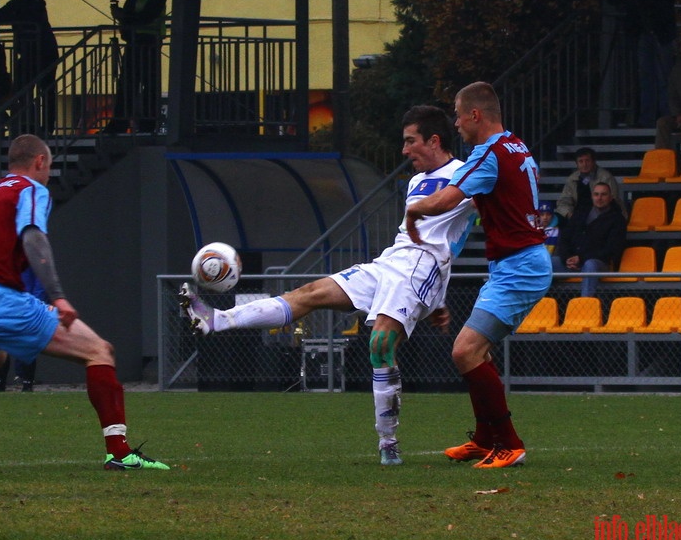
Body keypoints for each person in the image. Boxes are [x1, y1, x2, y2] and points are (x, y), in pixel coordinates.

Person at [179, 105, 477, 466]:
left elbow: (454, 241)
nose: (404, 150)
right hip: (392, 262)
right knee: (310, 293)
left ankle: (388, 443)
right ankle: (218, 320)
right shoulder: (415, 181)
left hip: (423, 269)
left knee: (380, 343)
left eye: (410, 141)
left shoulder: (465, 176)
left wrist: (437, 295)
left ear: (434, 140)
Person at [0, 134, 168, 471]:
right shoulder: (30, 189)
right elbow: (33, 236)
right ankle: (119, 453)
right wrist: (57, 296)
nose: (48, 175)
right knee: (99, 351)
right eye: (49, 167)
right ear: (40, 162)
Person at [403, 81, 552, 469]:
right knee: (475, 351)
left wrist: (414, 211)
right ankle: (486, 438)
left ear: (475, 115)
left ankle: (510, 443)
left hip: (519, 266)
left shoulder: (488, 154)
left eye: (457, 113)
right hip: (517, 262)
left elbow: (448, 199)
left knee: (465, 351)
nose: (455, 122)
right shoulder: (514, 144)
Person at [607, 0, 676, 128]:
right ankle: (647, 118)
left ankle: (666, 116)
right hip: (642, 33)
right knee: (646, 78)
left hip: (661, 34)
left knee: (663, 77)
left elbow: (664, 7)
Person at [0, 0, 59, 135]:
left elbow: (33, 17)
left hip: (45, 54)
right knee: (20, 90)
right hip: (28, 54)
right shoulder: (15, 4)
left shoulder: (37, 2)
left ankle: (48, 128)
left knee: (47, 90)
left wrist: (16, 14)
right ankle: (26, 125)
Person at [110, 0, 168, 133]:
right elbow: (132, 14)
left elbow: (146, 16)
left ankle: (148, 124)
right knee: (127, 84)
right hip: (134, 41)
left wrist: (123, 17)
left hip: (149, 41)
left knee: (149, 84)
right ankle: (120, 123)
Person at [554, 182, 627, 297]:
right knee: (549, 263)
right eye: (596, 194)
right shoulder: (580, 213)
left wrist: (581, 258)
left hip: (599, 264)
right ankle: (538, 306)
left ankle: (586, 307)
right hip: (572, 262)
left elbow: (612, 250)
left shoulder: (617, 219)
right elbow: (564, 238)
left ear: (611, 197)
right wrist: (567, 257)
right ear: (592, 196)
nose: (599, 198)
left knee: (590, 265)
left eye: (603, 194)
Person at [0, 268, 44, 392]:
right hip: (5, 303)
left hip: (26, 304)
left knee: (25, 344)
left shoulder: (29, 254)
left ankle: (26, 383)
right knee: (1, 344)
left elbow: (40, 279)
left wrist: (36, 303)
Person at [555, 147, 626, 222]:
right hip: (577, 214)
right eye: (581, 161)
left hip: (601, 213)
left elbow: (612, 200)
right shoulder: (572, 179)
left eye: (587, 161)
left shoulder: (605, 177)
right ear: (577, 164)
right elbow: (564, 201)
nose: (584, 164)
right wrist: (570, 214)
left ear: (593, 161)